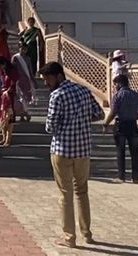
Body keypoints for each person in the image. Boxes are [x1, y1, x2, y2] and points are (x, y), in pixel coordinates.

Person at [41, 61, 104, 249]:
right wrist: (82, 120)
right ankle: (87, 233)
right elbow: (99, 113)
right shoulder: (84, 90)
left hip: (62, 149)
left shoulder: (57, 95)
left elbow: (50, 126)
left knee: (65, 194)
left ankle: (69, 237)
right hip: (83, 150)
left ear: (58, 76)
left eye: (47, 79)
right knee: (82, 191)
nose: (46, 83)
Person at [103, 74, 138, 183]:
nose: (114, 87)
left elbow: (113, 112)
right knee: (134, 152)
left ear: (119, 84)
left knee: (120, 151)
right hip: (133, 125)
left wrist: (105, 124)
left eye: (115, 85)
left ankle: (121, 176)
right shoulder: (137, 95)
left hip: (120, 125)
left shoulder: (117, 96)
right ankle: (135, 177)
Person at [0, 57, 18, 147]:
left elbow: (13, 83)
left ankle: (8, 140)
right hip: (2, 97)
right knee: (2, 117)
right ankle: (4, 138)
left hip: (9, 97)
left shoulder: (12, 71)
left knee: (9, 118)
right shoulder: (2, 72)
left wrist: (8, 91)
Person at [11, 43, 35, 122]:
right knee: (20, 98)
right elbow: (12, 69)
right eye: (22, 48)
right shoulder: (15, 58)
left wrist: (33, 80)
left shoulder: (28, 58)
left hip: (25, 80)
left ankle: (24, 113)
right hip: (18, 80)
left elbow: (30, 70)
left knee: (26, 98)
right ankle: (24, 113)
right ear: (19, 48)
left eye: (25, 49)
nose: (23, 50)